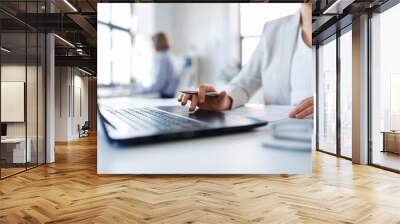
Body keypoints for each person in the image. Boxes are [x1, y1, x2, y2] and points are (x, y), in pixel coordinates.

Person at [178, 2, 313, 119]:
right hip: (281, 134)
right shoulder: (273, 30)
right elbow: (245, 82)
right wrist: (225, 100)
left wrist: (331, 105)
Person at [146, 32, 178, 98]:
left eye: (153, 43)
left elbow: (159, 84)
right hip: (171, 95)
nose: (152, 46)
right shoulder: (169, 55)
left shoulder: (162, 58)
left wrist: (141, 90)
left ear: (157, 43)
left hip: (165, 96)